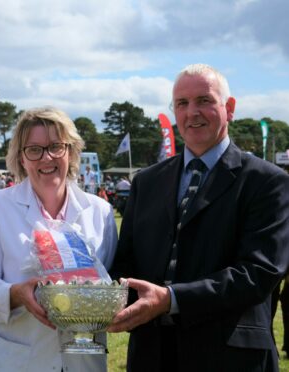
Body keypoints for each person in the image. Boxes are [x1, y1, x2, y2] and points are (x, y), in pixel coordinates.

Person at [108, 64, 289, 371]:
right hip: (152, 355)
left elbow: (259, 272)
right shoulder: (147, 182)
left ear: (229, 108)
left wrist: (171, 299)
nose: (192, 112)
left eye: (204, 100)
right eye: (182, 103)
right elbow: (126, 264)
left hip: (231, 358)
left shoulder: (267, 182)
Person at [0, 107, 117, 371]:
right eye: (34, 150)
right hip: (18, 358)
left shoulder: (100, 212)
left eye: (56, 146)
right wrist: (15, 294)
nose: (47, 158)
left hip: (83, 358)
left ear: (71, 151)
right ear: (21, 159)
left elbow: (109, 280)